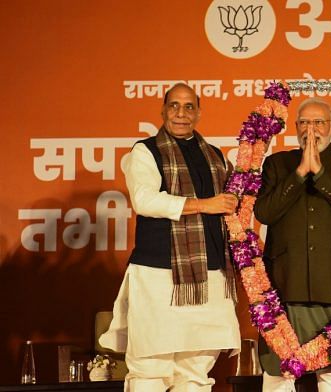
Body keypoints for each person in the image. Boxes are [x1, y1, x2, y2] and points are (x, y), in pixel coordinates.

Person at [99, 83, 241, 391]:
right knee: (152, 369)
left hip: (210, 275)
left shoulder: (215, 155)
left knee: (196, 372)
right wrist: (205, 204)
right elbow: (145, 201)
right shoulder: (145, 151)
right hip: (158, 275)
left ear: (198, 113)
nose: (181, 113)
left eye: (189, 106)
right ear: (163, 111)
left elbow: (231, 205)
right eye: (174, 106)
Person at [254, 97, 331, 392]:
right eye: (304, 122)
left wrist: (319, 173)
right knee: (279, 374)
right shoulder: (278, 164)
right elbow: (264, 213)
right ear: (295, 127)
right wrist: (298, 174)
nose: (312, 129)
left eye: (319, 122)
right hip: (285, 284)